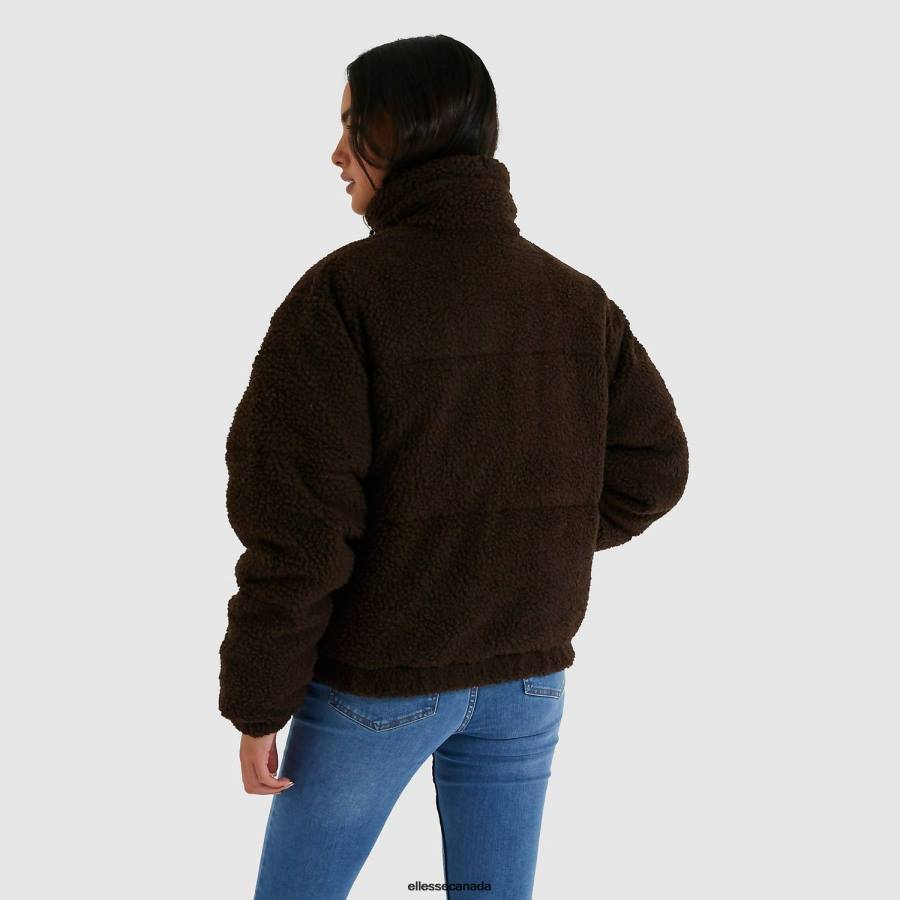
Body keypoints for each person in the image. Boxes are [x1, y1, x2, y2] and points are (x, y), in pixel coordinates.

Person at [218, 34, 689, 900]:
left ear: (401, 132)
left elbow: (297, 526)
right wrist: (524, 546)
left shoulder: (343, 296)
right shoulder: (573, 298)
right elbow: (654, 468)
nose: (335, 154)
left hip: (378, 681)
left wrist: (257, 698)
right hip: (526, 679)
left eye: (352, 127)